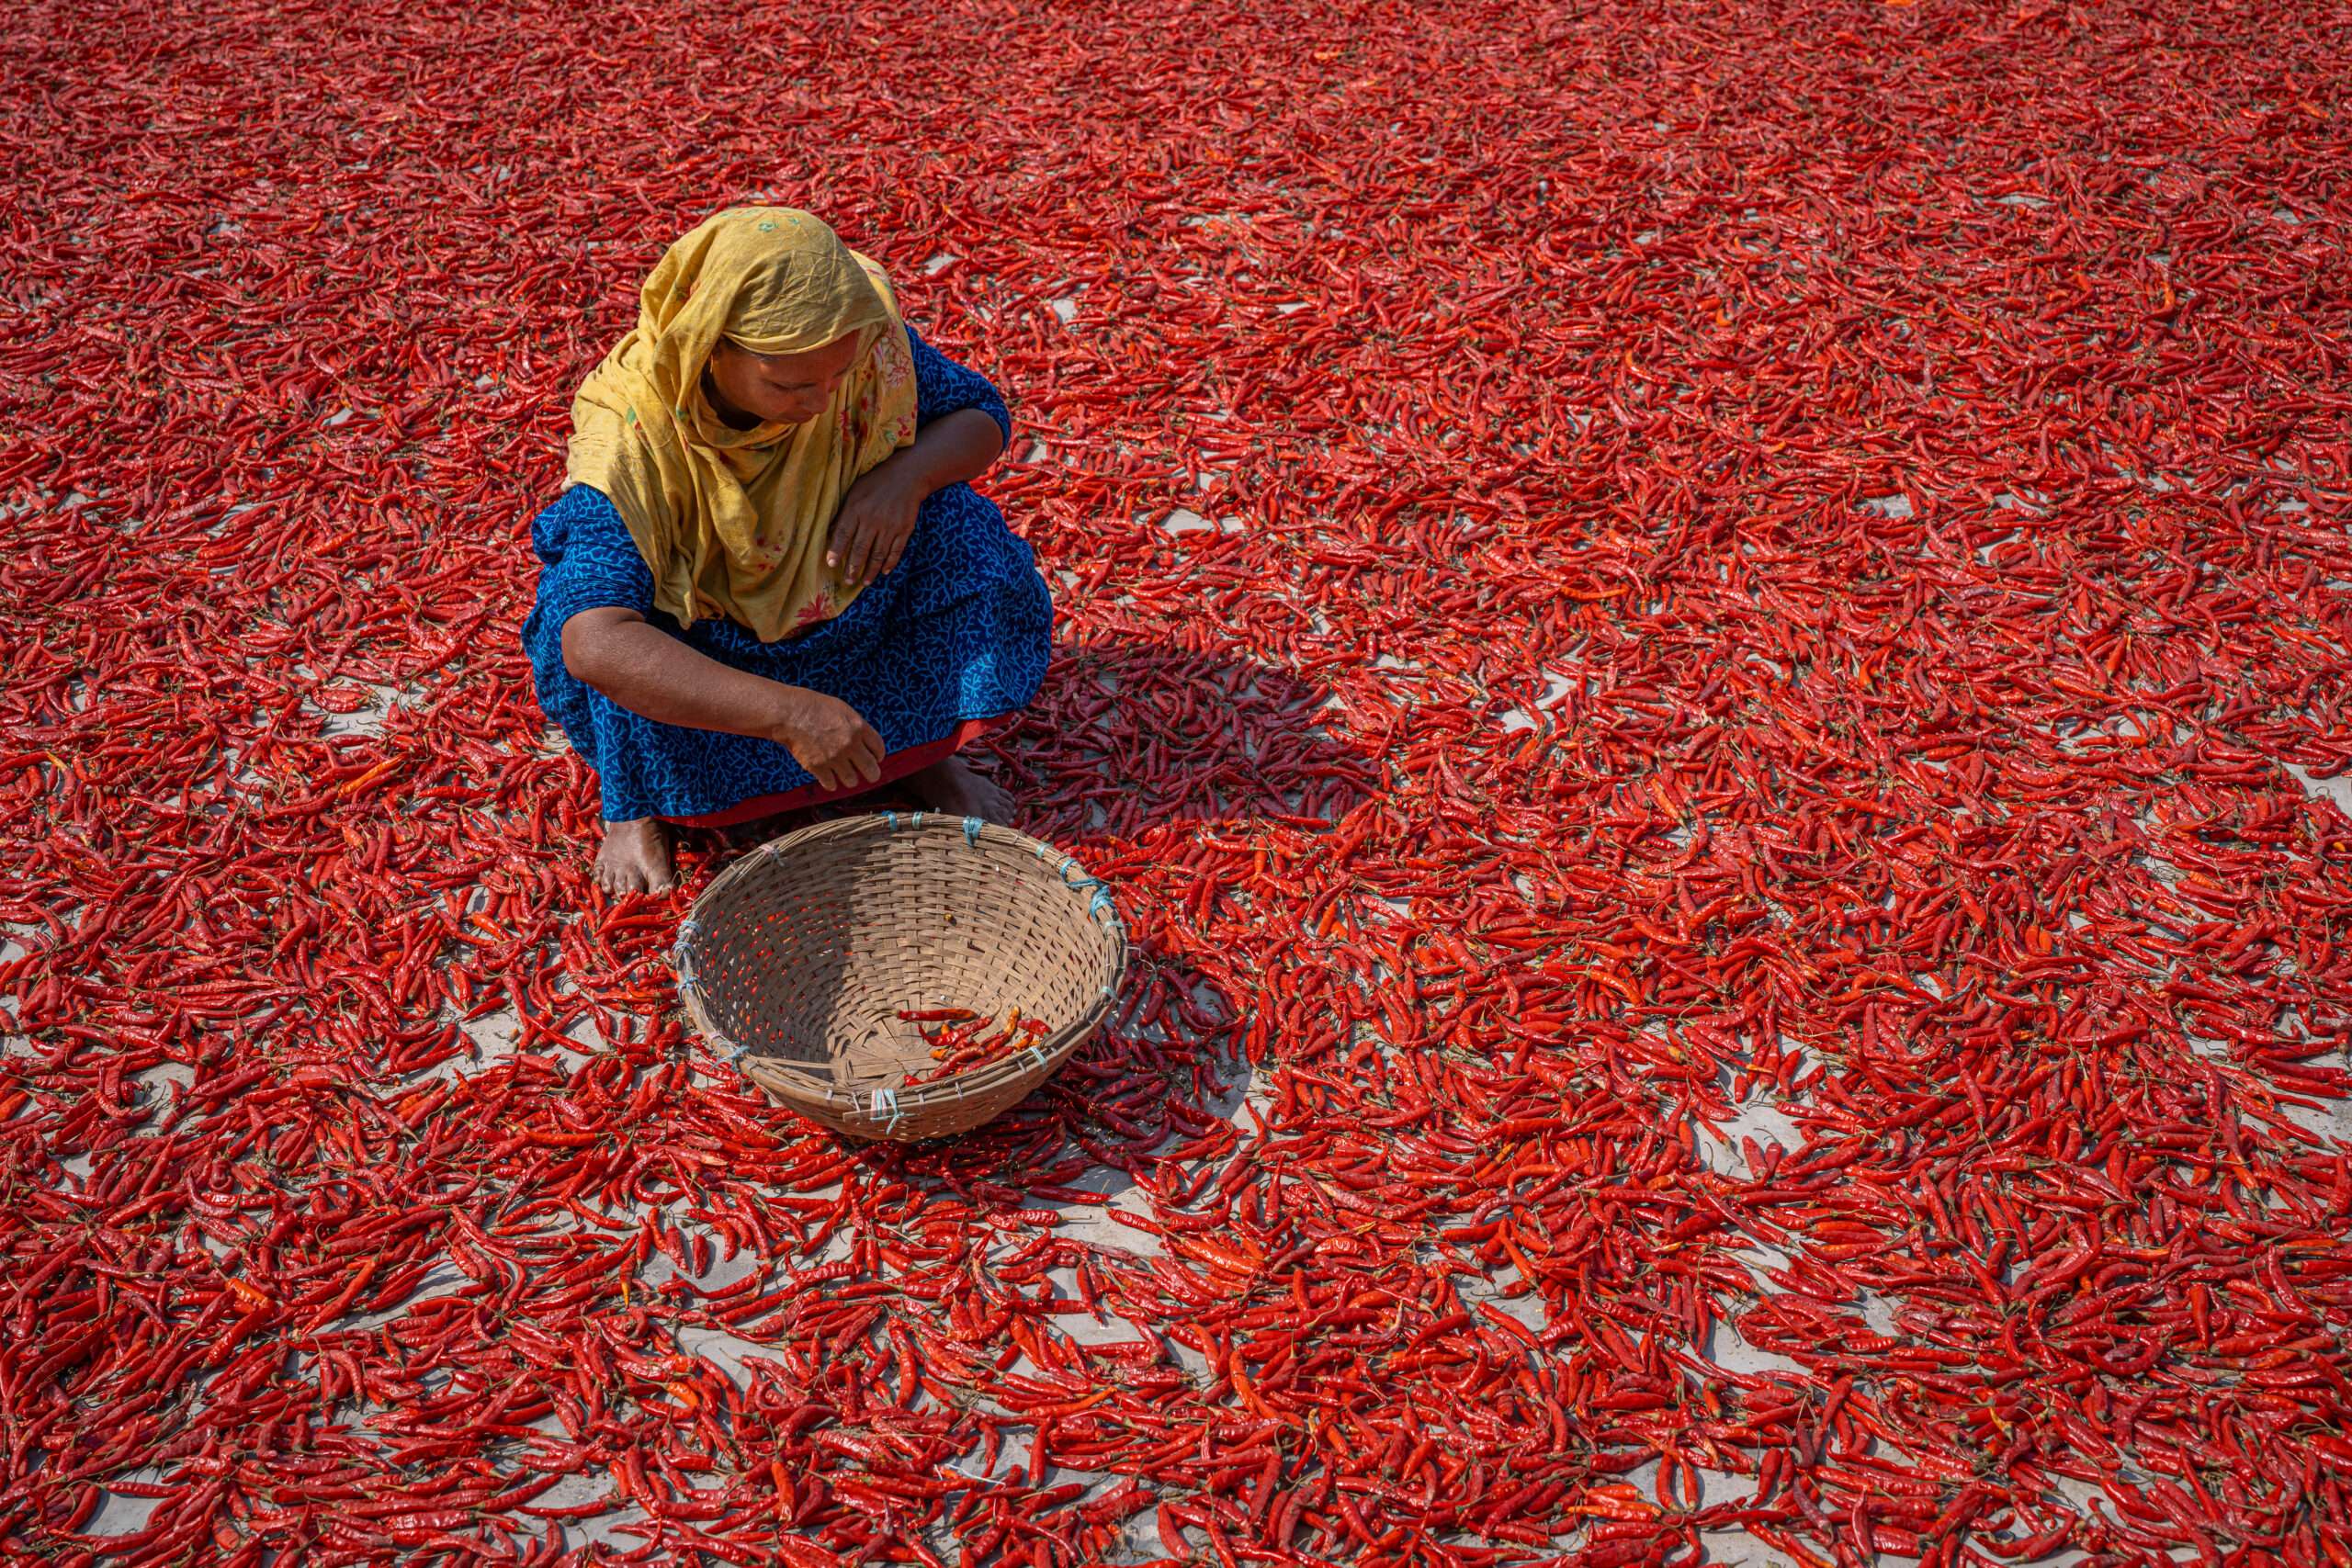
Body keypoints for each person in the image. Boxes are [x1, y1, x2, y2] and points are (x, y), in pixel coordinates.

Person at [521, 208, 1051, 895]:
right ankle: (636, 801)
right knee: (624, 632)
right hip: (713, 643)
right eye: (790, 386)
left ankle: (917, 753)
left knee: (959, 525)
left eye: (835, 377)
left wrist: (903, 478)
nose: (822, 401)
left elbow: (981, 418)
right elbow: (594, 642)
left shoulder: (856, 342)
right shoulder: (632, 437)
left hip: (845, 595)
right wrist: (789, 713)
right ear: (712, 347)